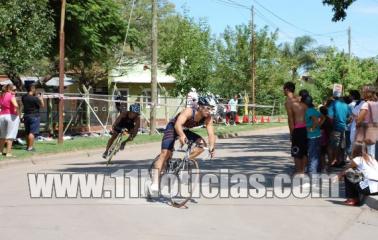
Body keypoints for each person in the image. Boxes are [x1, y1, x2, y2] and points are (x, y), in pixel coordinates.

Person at [150, 96, 216, 192]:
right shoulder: (189, 111)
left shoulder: (208, 118)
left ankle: (183, 162)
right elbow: (177, 125)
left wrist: (212, 147)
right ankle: (155, 182)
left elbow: (211, 134)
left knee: (202, 145)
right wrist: (181, 136)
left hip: (185, 130)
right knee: (165, 153)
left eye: (211, 109)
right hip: (173, 128)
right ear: (200, 107)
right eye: (208, 108)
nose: (209, 111)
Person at [283, 82, 308, 174]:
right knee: (304, 151)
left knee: (296, 152)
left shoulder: (288, 102)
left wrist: (292, 133)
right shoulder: (299, 99)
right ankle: (303, 170)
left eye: (283, 89)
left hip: (297, 129)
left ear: (286, 89)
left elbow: (291, 119)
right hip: (306, 128)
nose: (283, 91)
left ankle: (299, 172)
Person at [328, 90, 350, 167]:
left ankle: (334, 161)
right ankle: (340, 160)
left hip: (335, 127)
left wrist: (332, 125)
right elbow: (350, 117)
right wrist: (345, 123)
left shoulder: (333, 104)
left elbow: (330, 117)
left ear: (334, 96)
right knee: (341, 145)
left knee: (334, 145)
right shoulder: (346, 105)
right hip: (343, 127)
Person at [357, 86, 378, 159]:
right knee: (372, 152)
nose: (362, 93)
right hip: (375, 130)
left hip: (367, 131)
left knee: (367, 152)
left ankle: (369, 168)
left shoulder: (366, 104)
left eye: (364, 91)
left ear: (368, 93)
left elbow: (359, 120)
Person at [21, 84, 44, 151]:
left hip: (26, 115)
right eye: (34, 89)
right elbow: (42, 106)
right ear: (32, 89)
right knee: (32, 132)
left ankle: (28, 146)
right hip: (34, 116)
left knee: (27, 132)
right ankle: (30, 148)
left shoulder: (24, 97)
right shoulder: (35, 98)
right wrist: (41, 99)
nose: (35, 91)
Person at [0, 84, 20, 157]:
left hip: (2, 115)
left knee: (2, 135)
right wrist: (18, 111)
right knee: (10, 135)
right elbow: (16, 105)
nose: (15, 91)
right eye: (14, 90)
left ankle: (1, 151)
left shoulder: (2, 95)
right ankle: (8, 153)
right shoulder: (12, 96)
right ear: (9, 89)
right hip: (11, 115)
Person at [304, 95, 321, 175]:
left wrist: (312, 128)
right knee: (316, 154)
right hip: (317, 134)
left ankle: (312, 172)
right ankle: (316, 169)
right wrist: (318, 126)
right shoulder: (314, 110)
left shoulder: (309, 110)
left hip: (312, 136)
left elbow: (315, 121)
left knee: (312, 154)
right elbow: (323, 117)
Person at [319, 106, 332, 173]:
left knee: (322, 153)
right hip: (329, 136)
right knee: (329, 151)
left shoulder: (322, 119)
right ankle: (329, 166)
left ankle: (323, 167)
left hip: (323, 137)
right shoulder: (329, 119)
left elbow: (319, 126)